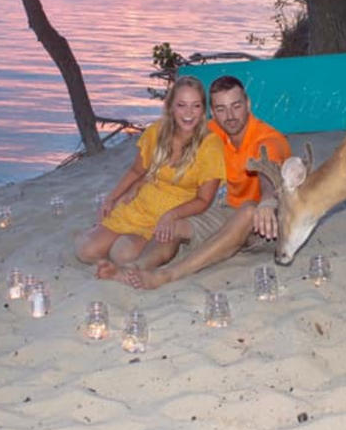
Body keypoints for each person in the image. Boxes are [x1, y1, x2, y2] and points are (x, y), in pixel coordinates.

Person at [97, 75, 291, 289]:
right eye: (221, 109)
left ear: (248, 104)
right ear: (212, 112)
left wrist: (266, 202)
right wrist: (139, 182)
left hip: (266, 224)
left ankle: (168, 275)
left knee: (248, 210)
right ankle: (137, 267)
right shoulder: (214, 131)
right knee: (175, 224)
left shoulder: (268, 140)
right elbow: (169, 154)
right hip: (226, 209)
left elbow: (269, 176)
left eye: (236, 106)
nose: (230, 116)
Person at [74, 75, 226, 271]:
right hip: (142, 204)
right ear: (171, 106)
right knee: (85, 250)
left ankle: (165, 247)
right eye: (182, 105)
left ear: (203, 109)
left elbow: (204, 201)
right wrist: (112, 198)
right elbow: (137, 170)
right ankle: (106, 235)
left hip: (173, 213)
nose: (189, 113)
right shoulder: (156, 131)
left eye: (196, 106)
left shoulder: (210, 144)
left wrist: (172, 215)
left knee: (122, 255)